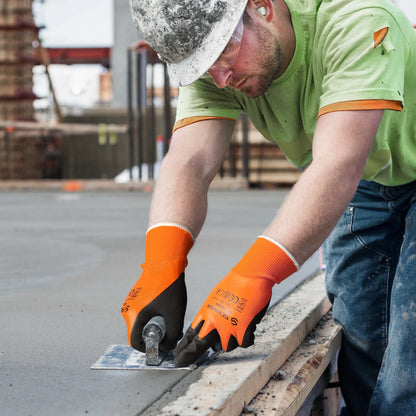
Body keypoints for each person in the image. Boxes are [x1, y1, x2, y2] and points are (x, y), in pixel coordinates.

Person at [121, 0, 416, 414]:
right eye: (205, 67)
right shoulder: (214, 60)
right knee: (364, 341)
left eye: (223, 54)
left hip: (363, 163)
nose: (220, 78)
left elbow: (337, 164)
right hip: (373, 178)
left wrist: (254, 275)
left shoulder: (357, 21)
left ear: (260, 7)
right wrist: (161, 265)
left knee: (408, 371)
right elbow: (191, 161)